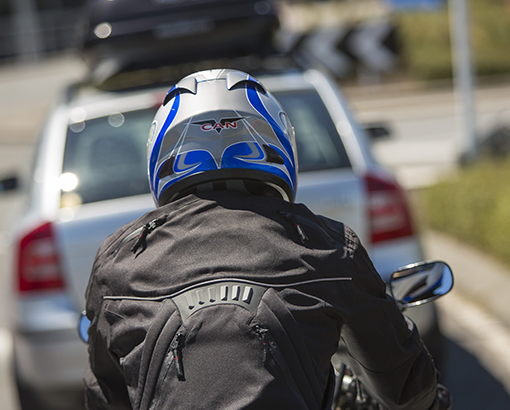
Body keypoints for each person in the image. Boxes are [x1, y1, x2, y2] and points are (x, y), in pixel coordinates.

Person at [83, 69, 451, 410]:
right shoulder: (327, 244)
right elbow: (406, 388)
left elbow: (106, 394)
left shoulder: (117, 260)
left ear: (162, 155)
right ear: (276, 143)